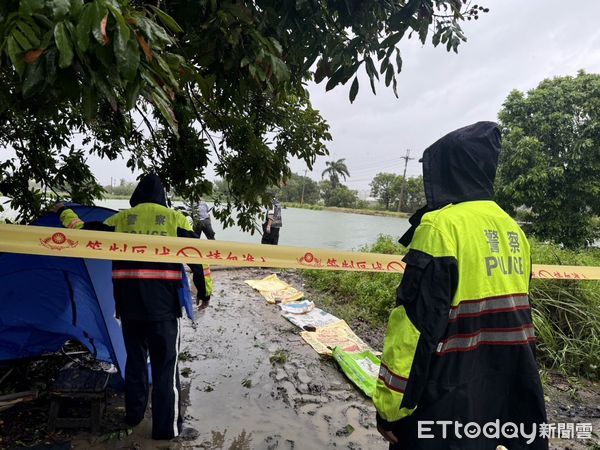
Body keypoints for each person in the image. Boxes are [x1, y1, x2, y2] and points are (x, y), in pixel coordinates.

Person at [373, 122, 547, 450]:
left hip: (444, 401)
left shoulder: (440, 227)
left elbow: (412, 329)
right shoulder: (514, 232)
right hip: (496, 400)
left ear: (448, 170)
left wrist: (389, 410)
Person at [52, 174, 210, 440]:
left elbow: (79, 232)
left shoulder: (121, 220)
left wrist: (63, 211)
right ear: (162, 196)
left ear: (137, 194)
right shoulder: (175, 219)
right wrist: (205, 292)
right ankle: (165, 431)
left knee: (135, 365)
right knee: (165, 370)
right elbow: (197, 255)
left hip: (129, 311)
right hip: (163, 312)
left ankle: (133, 416)